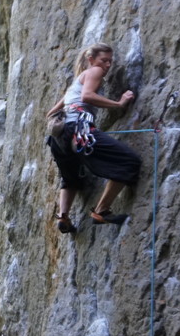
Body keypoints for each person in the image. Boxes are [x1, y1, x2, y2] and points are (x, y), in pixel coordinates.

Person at [45, 42, 141, 232]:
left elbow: (50, 114)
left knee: (71, 178)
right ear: (91, 59)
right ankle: (101, 211)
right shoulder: (94, 71)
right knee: (129, 162)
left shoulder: (74, 85)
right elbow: (88, 96)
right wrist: (119, 103)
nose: (107, 65)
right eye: (103, 60)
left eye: (110, 61)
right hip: (79, 130)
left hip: (59, 138)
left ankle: (64, 217)